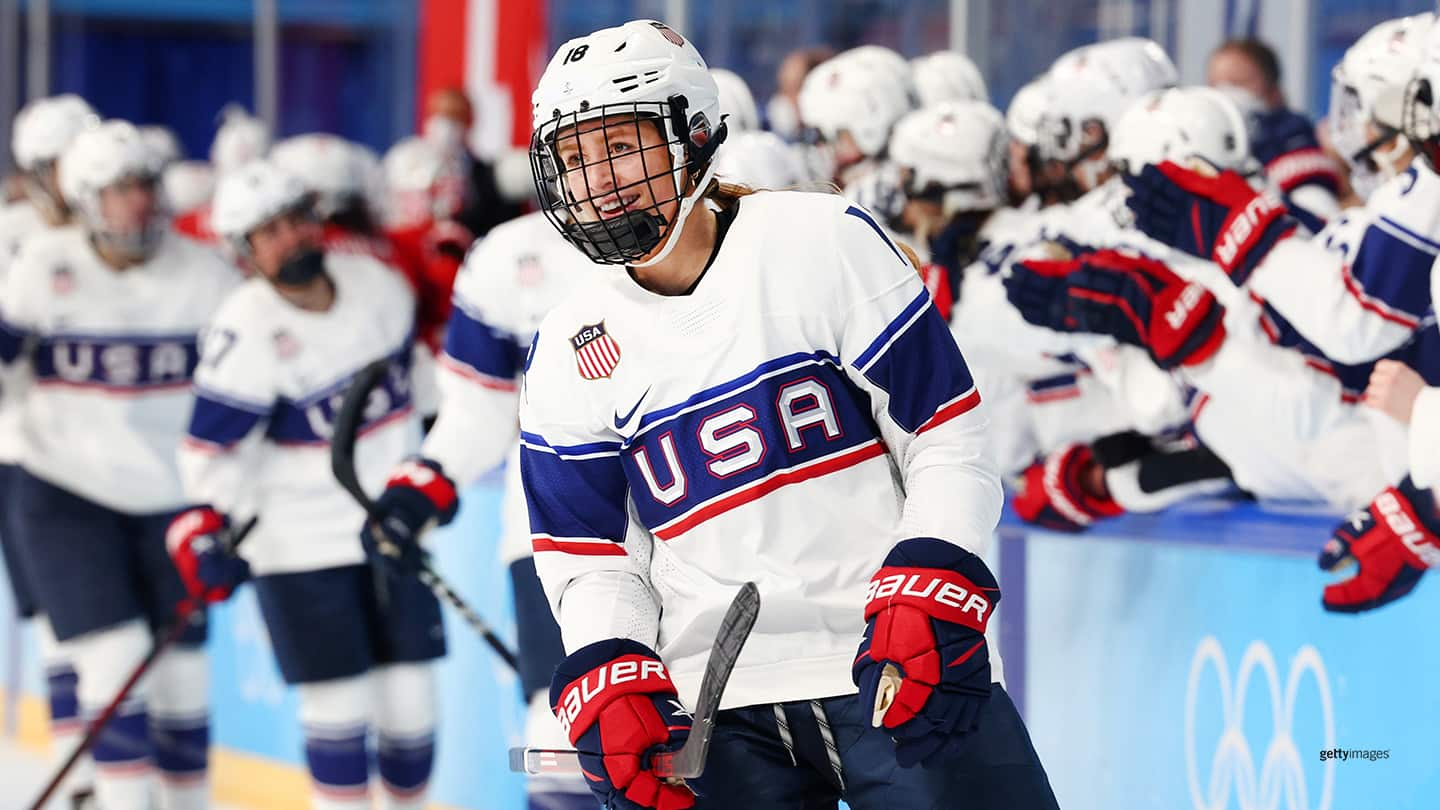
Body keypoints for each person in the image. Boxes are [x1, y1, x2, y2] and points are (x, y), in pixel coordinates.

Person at [518, 19, 1057, 809]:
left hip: (892, 659)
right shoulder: (568, 344)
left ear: (693, 134)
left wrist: (935, 575)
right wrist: (611, 662)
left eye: (620, 145)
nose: (599, 179)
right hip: (714, 711)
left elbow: (943, 436)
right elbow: (590, 557)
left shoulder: (820, 241)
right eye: (576, 158)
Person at [171, 158, 445, 810]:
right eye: (269, 232)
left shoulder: (378, 286)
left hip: (390, 530)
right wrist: (208, 525)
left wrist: (435, 474)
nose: (290, 238)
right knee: (339, 710)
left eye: (296, 220)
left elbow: (426, 395)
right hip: (298, 548)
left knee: (412, 713)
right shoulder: (244, 330)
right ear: (244, 251)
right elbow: (209, 452)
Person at [0, 119, 239, 810]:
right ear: (83, 198)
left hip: (175, 495)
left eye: (144, 185)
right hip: (66, 492)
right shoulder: (43, 263)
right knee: (114, 659)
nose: (138, 201)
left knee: (184, 679)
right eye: (119, 189)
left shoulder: (207, 273)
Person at [367, 207, 601, 810]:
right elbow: (478, 407)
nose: (599, 171)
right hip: (557, 530)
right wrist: (427, 480)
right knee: (562, 737)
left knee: (733, 740)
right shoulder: (510, 256)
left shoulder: (742, 232)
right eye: (574, 152)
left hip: (707, 519)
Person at [0, 91, 97, 807]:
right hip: (25, 449)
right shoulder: (14, 235)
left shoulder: (114, 235)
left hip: (106, 450)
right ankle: (79, 776)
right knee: (57, 622)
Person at [1208, 37, 1343, 220]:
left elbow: (1319, 218)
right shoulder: (1200, 151)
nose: (1225, 93)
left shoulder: (1295, 140)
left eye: (1238, 82)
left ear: (1273, 90)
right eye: (1215, 85)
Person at [421, 87, 526, 239]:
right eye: (439, 115)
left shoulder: (490, 177)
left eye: (455, 117)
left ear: (469, 122)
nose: (445, 125)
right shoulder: (408, 171)